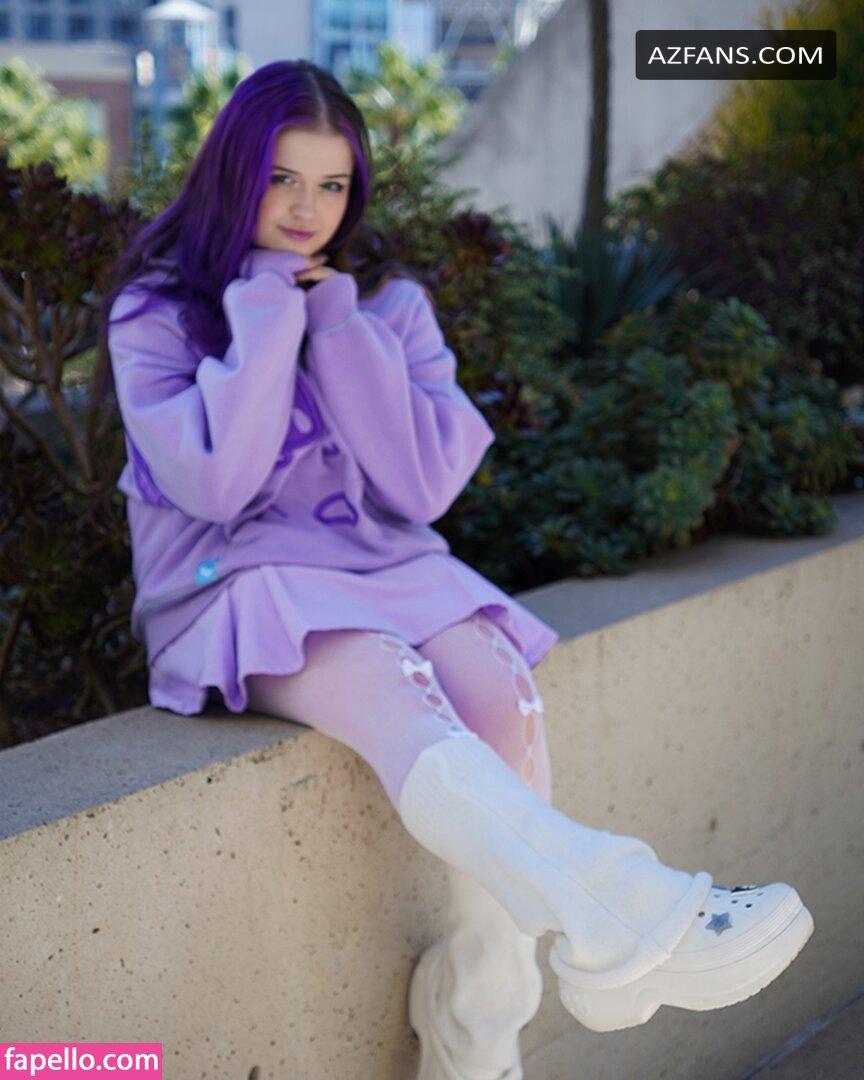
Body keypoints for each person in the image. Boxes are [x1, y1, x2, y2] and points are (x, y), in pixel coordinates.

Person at [100, 59, 815, 1080]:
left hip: (390, 565)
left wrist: (338, 326)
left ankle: (480, 1020)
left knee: (502, 701)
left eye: (332, 185)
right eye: (282, 179)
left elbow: (422, 486)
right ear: (234, 174)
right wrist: (263, 311)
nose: (307, 210)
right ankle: (629, 913)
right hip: (239, 584)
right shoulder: (159, 313)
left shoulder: (388, 309)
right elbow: (217, 483)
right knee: (398, 693)